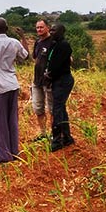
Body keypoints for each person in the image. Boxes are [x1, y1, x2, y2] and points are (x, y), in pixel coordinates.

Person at [0, 18, 29, 163]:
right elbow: (26, 56)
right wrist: (22, 37)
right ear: (7, 28)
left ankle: (4, 156)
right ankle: (14, 152)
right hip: (12, 85)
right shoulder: (14, 42)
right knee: (12, 120)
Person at [46, 23, 75, 151]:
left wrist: (49, 76)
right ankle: (67, 138)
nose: (51, 32)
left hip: (63, 80)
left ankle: (57, 141)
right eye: (51, 30)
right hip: (57, 80)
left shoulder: (64, 45)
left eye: (54, 30)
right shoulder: (54, 44)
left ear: (62, 32)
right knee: (61, 108)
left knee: (57, 109)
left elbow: (57, 66)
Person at [31, 19, 54, 141]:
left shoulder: (53, 42)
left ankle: (53, 134)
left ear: (48, 27)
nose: (39, 30)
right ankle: (43, 133)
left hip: (49, 82)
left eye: (41, 27)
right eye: (37, 28)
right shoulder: (38, 42)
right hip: (37, 81)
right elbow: (35, 58)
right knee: (38, 108)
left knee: (52, 109)